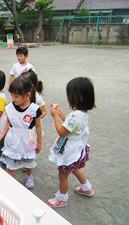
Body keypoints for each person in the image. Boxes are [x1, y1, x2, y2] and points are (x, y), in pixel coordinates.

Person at [46, 77, 95, 208]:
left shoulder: (74, 116)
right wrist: (60, 112)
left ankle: (62, 198)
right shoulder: (82, 113)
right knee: (75, 168)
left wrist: (55, 117)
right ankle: (86, 188)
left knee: (63, 174)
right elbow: (69, 122)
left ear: (75, 97)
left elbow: (62, 131)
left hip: (70, 150)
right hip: (77, 149)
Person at [0, 76, 42, 189]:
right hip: (13, 137)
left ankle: (29, 176)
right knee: (11, 162)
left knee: (28, 159)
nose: (13, 98)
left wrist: (39, 142)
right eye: (12, 95)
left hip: (29, 137)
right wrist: (1, 134)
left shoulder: (34, 109)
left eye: (16, 96)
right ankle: (8, 179)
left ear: (27, 95)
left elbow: (38, 127)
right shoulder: (10, 108)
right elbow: (7, 122)